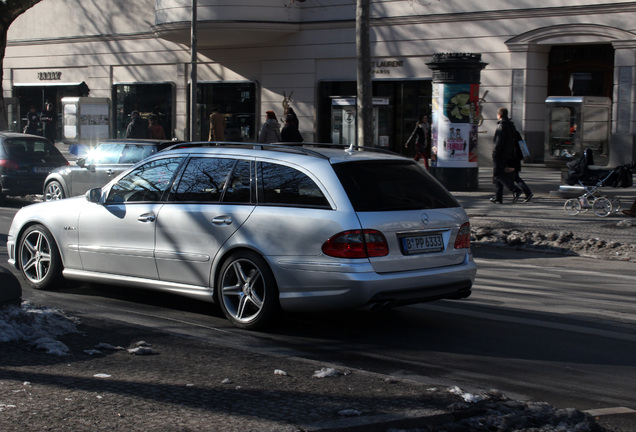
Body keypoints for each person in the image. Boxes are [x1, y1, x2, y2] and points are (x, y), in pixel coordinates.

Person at [491, 107, 522, 204]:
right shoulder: (511, 126)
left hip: (500, 154)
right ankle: (498, 197)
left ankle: (515, 189)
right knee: (499, 175)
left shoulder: (501, 126)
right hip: (508, 154)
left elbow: (499, 142)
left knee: (497, 174)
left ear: (499, 115)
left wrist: (495, 152)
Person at [509, 128, 533, 202]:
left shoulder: (510, 133)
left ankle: (525, 192)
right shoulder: (516, 133)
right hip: (516, 159)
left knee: (514, 177)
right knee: (515, 177)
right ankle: (525, 193)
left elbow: (513, 148)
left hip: (513, 159)